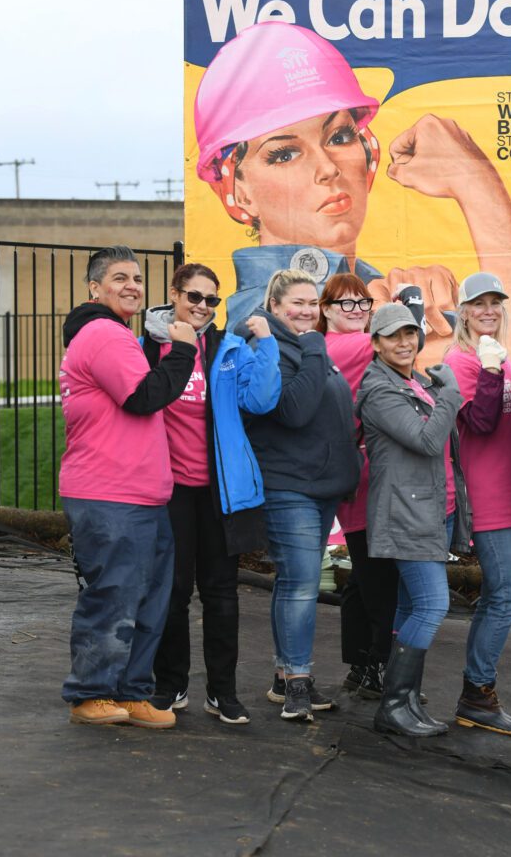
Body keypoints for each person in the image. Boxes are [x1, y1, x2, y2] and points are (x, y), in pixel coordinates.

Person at [193, 20, 511, 354]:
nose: (328, 168)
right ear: (239, 192)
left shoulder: (382, 290)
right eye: (284, 155)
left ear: (367, 151)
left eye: (340, 136)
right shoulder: (258, 316)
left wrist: (476, 182)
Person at [58, 246, 197, 729]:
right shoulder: (103, 334)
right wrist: (184, 350)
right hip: (109, 494)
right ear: (95, 288)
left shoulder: (114, 336)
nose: (132, 285)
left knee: (149, 599)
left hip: (142, 495)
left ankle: (133, 691)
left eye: (137, 278)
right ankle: (91, 692)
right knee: (114, 594)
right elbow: (144, 397)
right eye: (119, 277)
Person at [142, 263, 281, 725]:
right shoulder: (149, 346)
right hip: (169, 488)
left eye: (211, 300)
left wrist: (267, 344)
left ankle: (222, 692)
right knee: (174, 590)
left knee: (221, 593)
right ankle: (171, 684)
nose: (202, 307)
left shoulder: (227, 347)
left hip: (221, 491)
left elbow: (260, 401)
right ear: (174, 295)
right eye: (194, 297)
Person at [241, 268, 361, 722]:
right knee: (302, 585)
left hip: (321, 486)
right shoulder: (271, 348)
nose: (308, 311)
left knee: (295, 583)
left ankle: (284, 676)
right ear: (274, 307)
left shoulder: (308, 348)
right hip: (289, 486)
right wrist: (314, 349)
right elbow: (293, 410)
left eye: (313, 304)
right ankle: (297, 682)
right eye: (298, 303)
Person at [355, 303, 470, 737]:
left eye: (410, 333)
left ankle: (405, 703)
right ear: (376, 344)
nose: (404, 342)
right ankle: (393, 703)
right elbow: (426, 440)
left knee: (408, 606)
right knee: (432, 604)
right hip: (405, 512)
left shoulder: (414, 382)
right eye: (392, 336)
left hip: (429, 510)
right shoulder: (380, 389)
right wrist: (451, 395)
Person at [443, 273, 511, 735]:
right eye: (479, 304)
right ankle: (477, 691)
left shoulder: (502, 358)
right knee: (510, 595)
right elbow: (479, 421)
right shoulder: (462, 360)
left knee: (499, 596)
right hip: (488, 498)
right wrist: (491, 370)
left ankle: (476, 695)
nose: (489, 310)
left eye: (496, 302)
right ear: (464, 311)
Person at [316, 273, 399, 701]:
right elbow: (401, 339)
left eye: (363, 303)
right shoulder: (352, 346)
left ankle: (362, 664)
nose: (358, 311)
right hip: (367, 471)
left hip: (358, 469)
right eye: (346, 304)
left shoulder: (331, 348)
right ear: (325, 309)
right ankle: (380, 666)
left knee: (366, 575)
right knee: (379, 574)